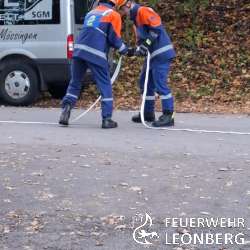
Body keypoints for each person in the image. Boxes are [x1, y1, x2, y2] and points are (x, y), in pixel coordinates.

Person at [59, 0, 128, 129]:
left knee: (75, 82)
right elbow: (115, 40)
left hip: (78, 51)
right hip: (95, 53)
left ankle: (65, 112)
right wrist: (126, 50)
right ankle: (107, 119)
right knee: (105, 84)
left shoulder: (91, 13)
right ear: (114, 3)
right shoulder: (113, 15)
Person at [117, 0, 176, 127]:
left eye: (122, 8)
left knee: (160, 82)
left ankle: (168, 114)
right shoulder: (135, 23)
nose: (122, 12)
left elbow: (157, 28)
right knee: (144, 82)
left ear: (129, 3)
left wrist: (146, 44)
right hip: (151, 57)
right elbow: (141, 43)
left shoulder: (143, 11)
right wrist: (135, 51)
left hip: (161, 54)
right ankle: (148, 113)